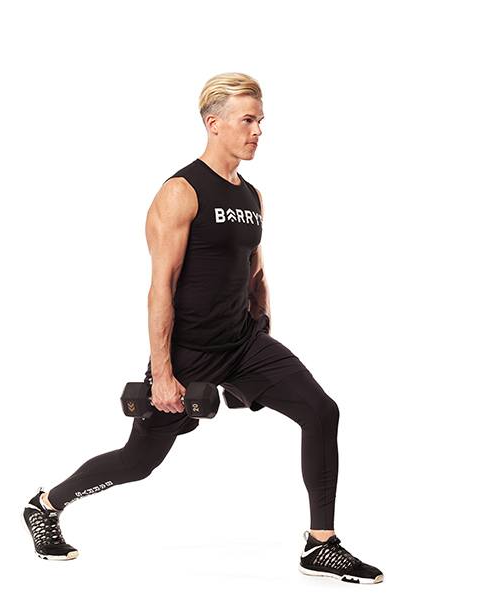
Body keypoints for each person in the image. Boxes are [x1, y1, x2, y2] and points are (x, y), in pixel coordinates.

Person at [22, 72, 383, 585]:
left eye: (260, 121)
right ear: (214, 125)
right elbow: (161, 290)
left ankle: (319, 545)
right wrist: (163, 374)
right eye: (247, 120)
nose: (257, 131)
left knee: (322, 412)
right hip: (188, 352)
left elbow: (254, 267)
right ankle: (45, 504)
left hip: (244, 344)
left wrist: (264, 324)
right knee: (138, 461)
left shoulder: (252, 194)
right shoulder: (180, 192)